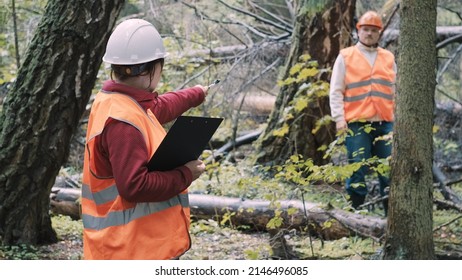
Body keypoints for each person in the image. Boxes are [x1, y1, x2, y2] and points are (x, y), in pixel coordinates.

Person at [81, 18, 209, 259]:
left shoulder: (116, 100)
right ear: (152, 68)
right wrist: (186, 175)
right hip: (130, 250)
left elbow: (159, 107)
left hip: (133, 244)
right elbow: (134, 186)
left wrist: (196, 94)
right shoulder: (122, 122)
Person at [329, 11, 396, 215]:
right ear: (359, 31)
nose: (369, 34)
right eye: (366, 29)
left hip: (385, 123)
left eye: (373, 30)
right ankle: (355, 216)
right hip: (357, 123)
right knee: (357, 169)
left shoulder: (388, 57)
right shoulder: (346, 56)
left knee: (388, 171)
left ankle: (390, 218)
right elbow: (336, 90)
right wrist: (339, 118)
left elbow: (397, 90)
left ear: (379, 33)